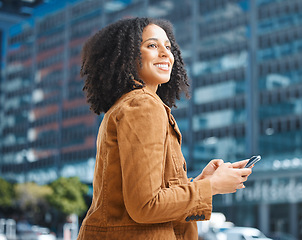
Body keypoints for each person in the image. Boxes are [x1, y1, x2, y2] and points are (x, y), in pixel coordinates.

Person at [77, 17, 253, 240]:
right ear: (126, 56)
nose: (165, 54)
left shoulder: (131, 105)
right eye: (152, 45)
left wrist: (201, 181)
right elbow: (146, 206)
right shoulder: (143, 106)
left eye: (168, 47)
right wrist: (212, 186)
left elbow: (150, 200)